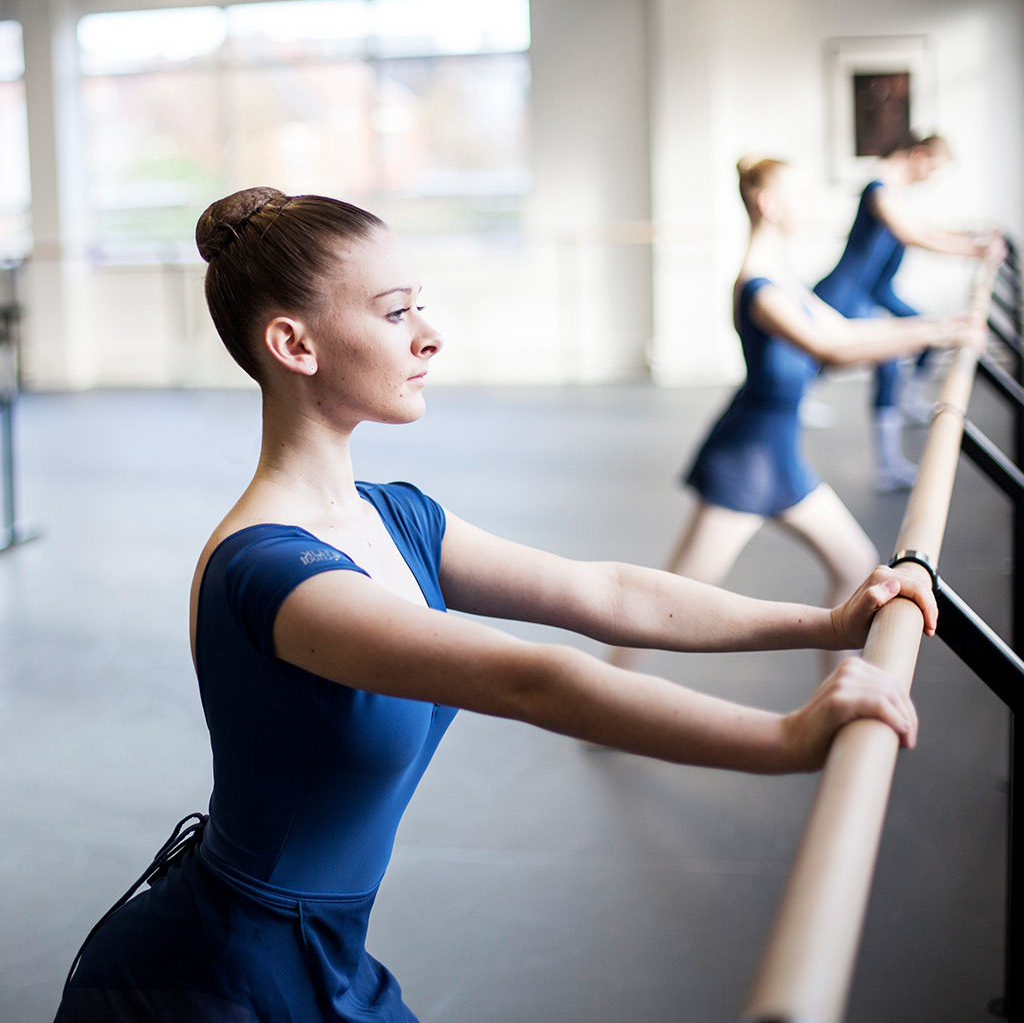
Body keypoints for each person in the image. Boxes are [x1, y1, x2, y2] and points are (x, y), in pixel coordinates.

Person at [56, 186, 938, 1023]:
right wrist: (787, 739)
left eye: (421, 306)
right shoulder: (270, 573)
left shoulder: (396, 516)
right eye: (395, 313)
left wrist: (829, 623)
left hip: (313, 949)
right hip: (217, 976)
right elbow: (531, 680)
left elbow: (605, 591)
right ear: (294, 344)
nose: (429, 336)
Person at [608, 156, 984, 676]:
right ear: (768, 203)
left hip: (779, 456)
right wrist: (934, 333)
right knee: (673, 598)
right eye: (800, 196)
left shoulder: (781, 277)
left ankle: (839, 695)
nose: (809, 207)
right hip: (746, 459)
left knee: (855, 565)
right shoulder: (758, 287)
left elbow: (846, 332)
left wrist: (941, 326)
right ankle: (600, 687)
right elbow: (831, 348)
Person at [814, 133, 1004, 490]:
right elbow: (912, 233)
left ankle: (907, 407)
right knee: (877, 361)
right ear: (919, 155)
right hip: (846, 292)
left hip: (873, 292)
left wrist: (973, 235)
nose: (932, 177)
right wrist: (974, 250)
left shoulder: (895, 192)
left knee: (916, 339)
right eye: (933, 168)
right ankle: (886, 465)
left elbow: (924, 227)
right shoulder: (878, 188)